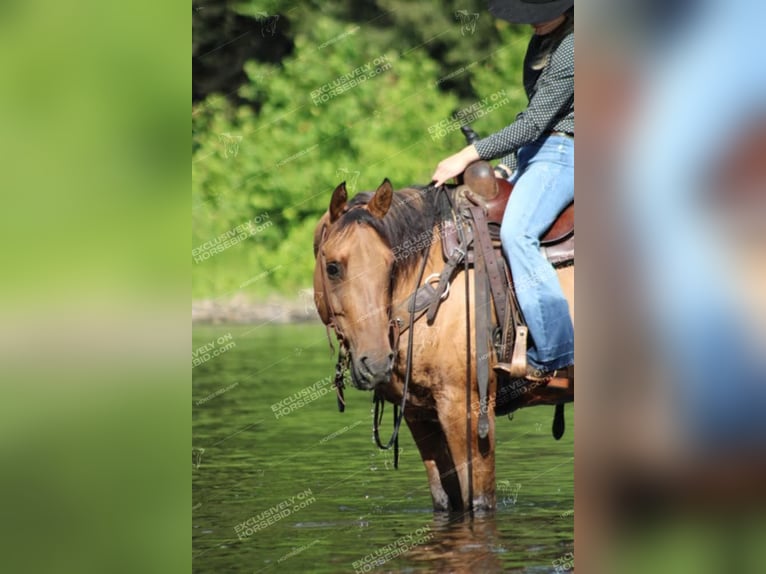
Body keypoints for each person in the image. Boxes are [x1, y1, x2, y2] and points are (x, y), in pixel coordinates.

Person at [431, 0, 574, 381]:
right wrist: (506, 164)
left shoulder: (575, 47)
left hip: (569, 152)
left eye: (543, 13)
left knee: (518, 232)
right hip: (538, 150)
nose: (534, 22)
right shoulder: (541, 43)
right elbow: (531, 119)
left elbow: (536, 125)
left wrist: (466, 155)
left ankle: (557, 352)